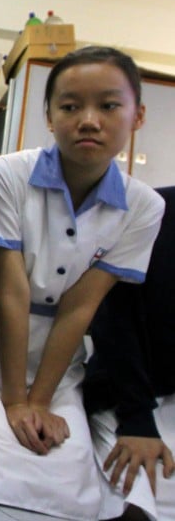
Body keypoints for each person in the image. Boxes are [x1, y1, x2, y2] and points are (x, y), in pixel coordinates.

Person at [0, 46, 165, 520]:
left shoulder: (144, 206)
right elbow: (13, 291)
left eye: (109, 106)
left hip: (58, 364)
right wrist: (14, 402)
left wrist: (40, 400)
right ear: (49, 116)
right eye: (70, 107)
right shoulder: (9, 173)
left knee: (68, 477)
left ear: (137, 116)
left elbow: (80, 306)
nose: (88, 120)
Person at [83, 184, 175, 521]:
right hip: (136, 394)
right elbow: (114, 319)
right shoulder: (155, 209)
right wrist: (137, 419)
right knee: (143, 488)